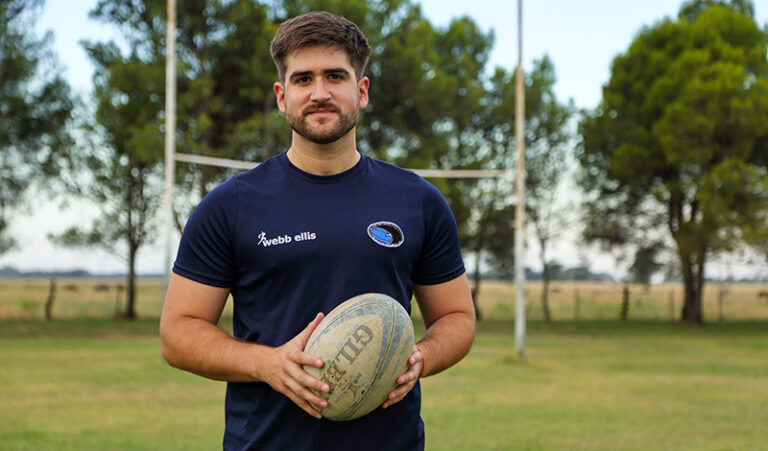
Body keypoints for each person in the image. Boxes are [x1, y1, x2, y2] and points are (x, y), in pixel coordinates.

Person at [159, 11, 475, 451]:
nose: (320, 93)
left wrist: (418, 359)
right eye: (303, 79)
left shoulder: (418, 201)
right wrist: (266, 363)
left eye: (335, 77)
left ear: (361, 91)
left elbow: (457, 318)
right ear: (281, 95)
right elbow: (178, 334)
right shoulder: (229, 206)